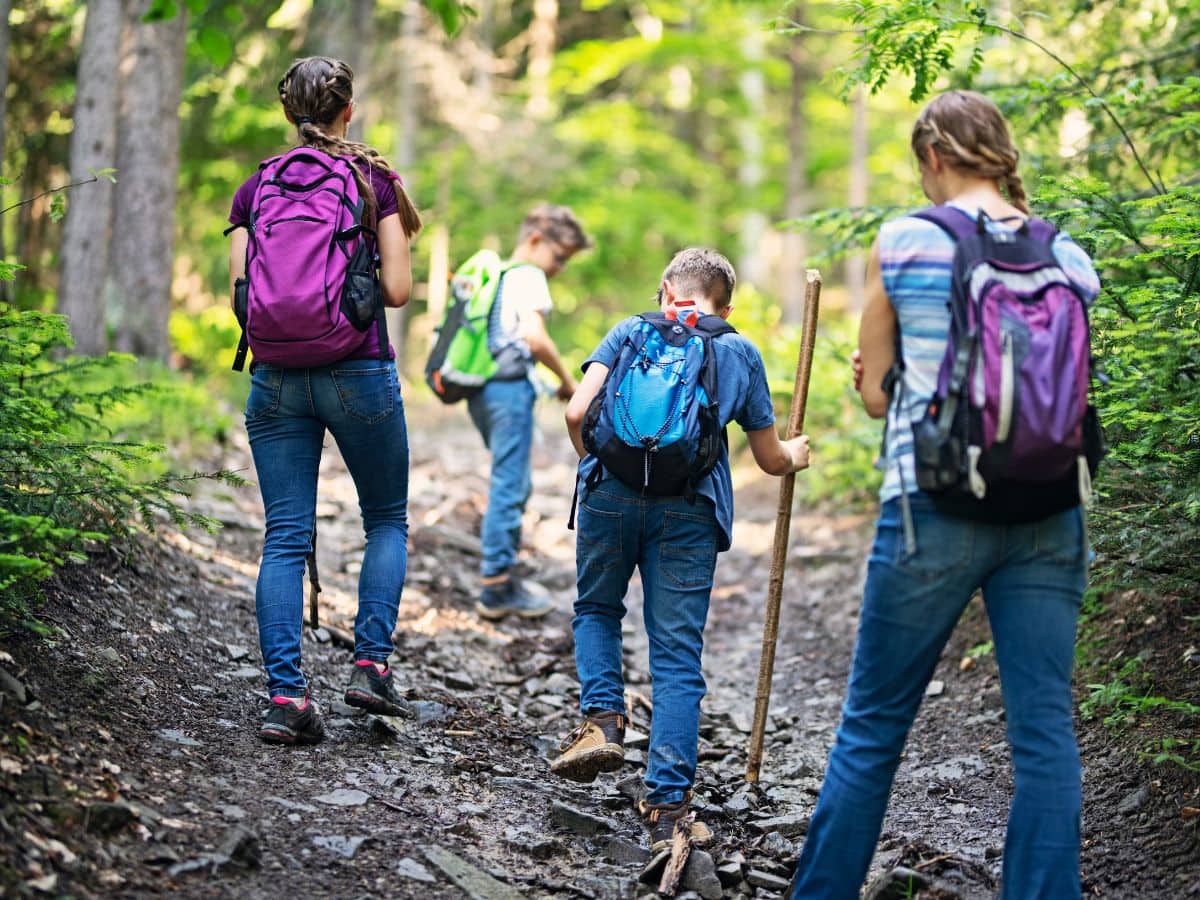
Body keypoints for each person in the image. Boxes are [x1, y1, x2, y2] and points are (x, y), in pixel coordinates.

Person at [788, 90, 1101, 899]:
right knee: (1043, 735)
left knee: (872, 729)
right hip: (1050, 508)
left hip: (932, 506)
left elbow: (877, 396)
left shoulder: (905, 240)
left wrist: (879, 374)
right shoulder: (1066, 255)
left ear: (932, 157)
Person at [554, 248, 811, 851]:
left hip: (608, 497)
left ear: (666, 289)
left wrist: (600, 467)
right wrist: (797, 454)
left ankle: (604, 718)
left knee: (596, 609)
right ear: (727, 304)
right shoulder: (739, 351)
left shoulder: (628, 332)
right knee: (675, 655)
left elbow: (575, 410)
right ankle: (666, 803)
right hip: (690, 511)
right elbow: (770, 458)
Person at [227, 56, 423, 745]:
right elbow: (396, 293)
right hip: (358, 371)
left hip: (274, 378)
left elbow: (243, 297)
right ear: (350, 110)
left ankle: (287, 699)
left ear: (289, 112)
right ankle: (370, 666)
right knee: (387, 521)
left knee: (284, 537)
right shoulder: (374, 181)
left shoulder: (257, 186)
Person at [468, 205, 591, 620]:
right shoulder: (528, 275)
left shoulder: (500, 275)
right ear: (536, 239)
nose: (559, 267)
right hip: (508, 392)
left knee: (508, 479)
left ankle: (499, 574)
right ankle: (497, 585)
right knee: (511, 484)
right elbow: (533, 337)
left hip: (483, 389)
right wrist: (568, 380)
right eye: (559, 257)